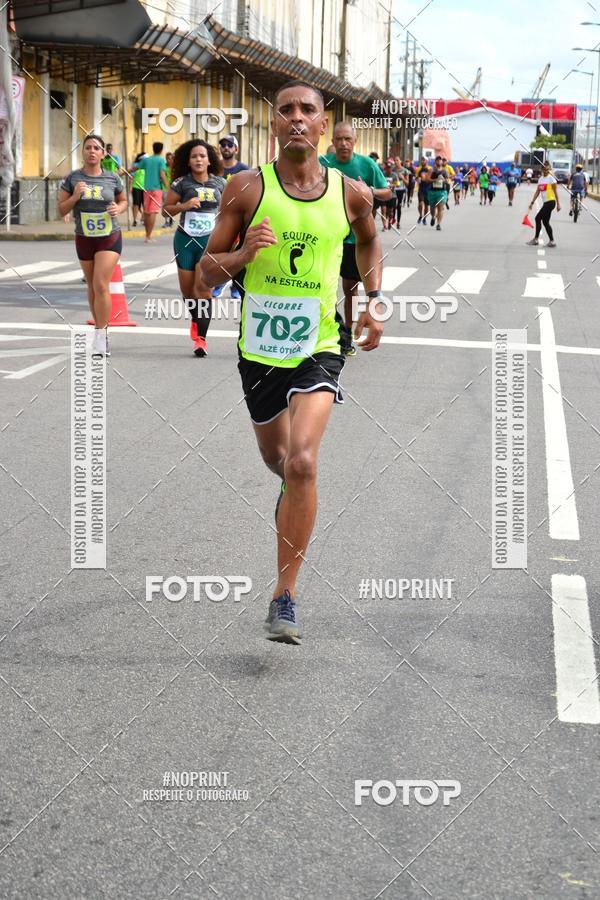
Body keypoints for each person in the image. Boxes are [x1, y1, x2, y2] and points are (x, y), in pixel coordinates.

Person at [199, 80, 384, 644]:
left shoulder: (351, 193)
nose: (298, 118)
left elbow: (369, 243)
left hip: (320, 346)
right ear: (273, 124)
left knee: (303, 462)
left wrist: (373, 301)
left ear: (324, 125)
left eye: (309, 110)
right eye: (287, 111)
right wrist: (243, 254)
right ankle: (293, 499)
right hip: (259, 352)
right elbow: (206, 272)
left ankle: (285, 595)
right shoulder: (246, 187)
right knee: (278, 461)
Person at [320, 121, 390, 355]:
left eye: (347, 139)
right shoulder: (322, 164)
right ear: (332, 141)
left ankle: (347, 333)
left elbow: (387, 192)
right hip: (326, 237)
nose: (343, 143)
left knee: (350, 287)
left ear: (354, 141)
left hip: (354, 240)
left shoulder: (366, 164)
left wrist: (368, 190)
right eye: (338, 139)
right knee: (320, 286)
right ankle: (329, 328)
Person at [58, 133, 127, 356]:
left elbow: (123, 200)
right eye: (88, 148)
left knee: (100, 284)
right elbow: (61, 209)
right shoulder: (72, 178)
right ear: (83, 152)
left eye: (96, 148)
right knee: (91, 285)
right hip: (84, 237)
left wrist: (119, 209)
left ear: (103, 153)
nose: (92, 151)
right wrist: (76, 196)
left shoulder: (112, 178)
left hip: (109, 235)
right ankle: (99, 332)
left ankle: (102, 334)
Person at [163, 139, 225, 357]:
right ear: (188, 162)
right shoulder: (181, 183)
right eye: (194, 157)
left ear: (209, 160)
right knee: (188, 292)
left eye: (202, 156)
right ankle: (197, 320)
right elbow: (166, 211)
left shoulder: (220, 183)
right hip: (185, 241)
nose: (198, 159)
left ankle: (201, 339)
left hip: (209, 242)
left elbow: (229, 211)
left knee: (203, 290)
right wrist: (184, 206)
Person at [211, 135, 250, 300]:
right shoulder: (215, 169)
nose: (226, 147)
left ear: (236, 149)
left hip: (239, 216)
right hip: (217, 216)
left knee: (238, 250)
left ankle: (235, 286)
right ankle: (220, 281)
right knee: (220, 250)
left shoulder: (244, 169)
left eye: (229, 145)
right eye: (223, 145)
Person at [132, 141, 170, 242]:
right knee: (153, 212)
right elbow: (162, 175)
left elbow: (135, 168)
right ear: (161, 150)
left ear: (153, 148)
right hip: (156, 189)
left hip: (146, 189)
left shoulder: (147, 160)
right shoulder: (161, 160)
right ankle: (148, 236)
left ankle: (147, 236)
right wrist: (168, 187)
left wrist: (122, 172)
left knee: (147, 212)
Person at [526, 161, 560, 247]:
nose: (546, 171)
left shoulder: (551, 179)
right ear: (541, 170)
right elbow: (537, 192)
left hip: (551, 202)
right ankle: (552, 242)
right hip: (546, 203)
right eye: (544, 169)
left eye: (547, 169)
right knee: (545, 222)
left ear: (549, 170)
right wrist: (532, 202)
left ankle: (536, 239)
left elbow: (556, 192)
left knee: (537, 218)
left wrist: (558, 204)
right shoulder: (540, 179)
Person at [428, 156, 449, 230]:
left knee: (440, 207)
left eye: (440, 160)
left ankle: (439, 224)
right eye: (438, 160)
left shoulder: (445, 171)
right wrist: (436, 180)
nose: (439, 161)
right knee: (432, 208)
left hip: (442, 192)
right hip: (432, 191)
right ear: (435, 161)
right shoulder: (431, 170)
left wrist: (444, 180)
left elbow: (447, 180)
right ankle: (433, 217)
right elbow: (428, 180)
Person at [130, 151, 146, 226]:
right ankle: (135, 220)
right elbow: (131, 177)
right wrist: (130, 187)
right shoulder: (136, 165)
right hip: (136, 186)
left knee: (145, 204)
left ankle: (143, 218)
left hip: (146, 187)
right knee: (136, 204)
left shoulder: (147, 166)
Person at [415, 157, 432, 224]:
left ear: (427, 161)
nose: (423, 161)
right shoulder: (418, 169)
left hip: (428, 189)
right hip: (421, 188)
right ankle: (420, 215)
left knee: (426, 205)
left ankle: (424, 218)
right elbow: (416, 177)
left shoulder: (430, 168)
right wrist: (417, 179)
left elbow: (432, 177)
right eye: (422, 160)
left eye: (424, 160)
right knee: (421, 204)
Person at [162, 151, 175, 228]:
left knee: (173, 205)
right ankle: (166, 221)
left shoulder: (175, 168)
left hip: (174, 189)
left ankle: (171, 219)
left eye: (170, 158)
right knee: (165, 205)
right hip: (165, 189)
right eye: (167, 158)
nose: (169, 160)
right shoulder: (164, 167)